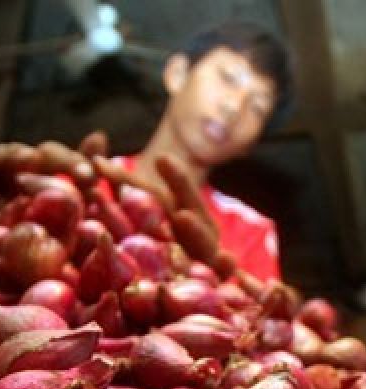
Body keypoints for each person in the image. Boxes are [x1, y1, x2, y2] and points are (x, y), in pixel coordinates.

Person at [94, 20, 293, 283]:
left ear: (251, 144)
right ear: (177, 73)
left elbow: (262, 319)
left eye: (257, 106)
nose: (234, 107)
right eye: (227, 78)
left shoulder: (251, 234)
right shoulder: (81, 183)